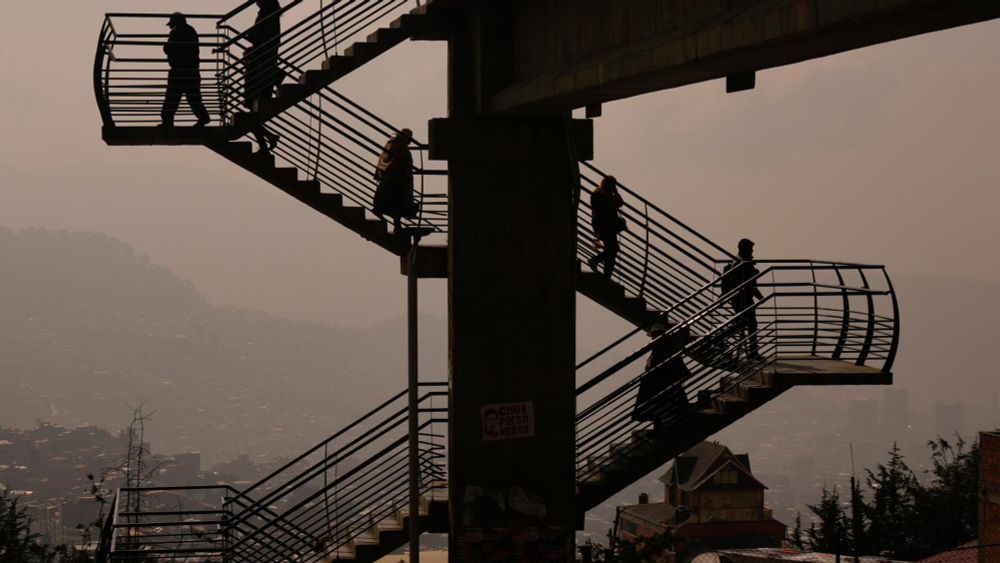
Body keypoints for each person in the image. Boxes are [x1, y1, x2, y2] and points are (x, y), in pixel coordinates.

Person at [632, 322, 692, 431]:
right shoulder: (665, 344)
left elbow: (673, 360)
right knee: (662, 406)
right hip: (662, 381)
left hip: (661, 381)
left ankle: (661, 428)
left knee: (659, 406)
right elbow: (676, 360)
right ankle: (661, 427)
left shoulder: (663, 345)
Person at [244, 0, 282, 153]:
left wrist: (251, 38)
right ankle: (268, 140)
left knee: (251, 111)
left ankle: (268, 140)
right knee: (252, 112)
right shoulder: (271, 14)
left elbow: (259, 37)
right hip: (264, 65)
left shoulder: (266, 15)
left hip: (261, 67)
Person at [160, 13, 210, 127]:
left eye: (171, 24)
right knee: (193, 97)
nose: (169, 26)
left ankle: (167, 122)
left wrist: (166, 46)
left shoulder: (177, 32)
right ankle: (203, 117)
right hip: (191, 70)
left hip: (179, 70)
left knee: (172, 97)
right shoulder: (191, 30)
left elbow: (168, 48)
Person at [721, 238, 765, 361]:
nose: (752, 253)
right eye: (750, 250)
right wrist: (759, 296)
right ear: (743, 249)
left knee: (743, 324)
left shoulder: (738, 262)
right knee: (749, 324)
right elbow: (748, 284)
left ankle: (722, 340)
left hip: (740, 298)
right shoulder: (742, 264)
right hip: (743, 299)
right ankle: (752, 352)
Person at [372, 129, 416, 231]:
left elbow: (384, 159)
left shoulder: (391, 144)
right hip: (396, 180)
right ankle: (397, 225)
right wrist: (406, 177)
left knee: (393, 203)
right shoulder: (401, 148)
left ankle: (395, 223)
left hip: (388, 179)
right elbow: (403, 165)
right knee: (398, 203)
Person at [587, 176, 626, 280]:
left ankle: (606, 276)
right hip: (603, 226)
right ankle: (595, 261)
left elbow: (619, 203)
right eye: (613, 185)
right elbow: (614, 204)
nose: (614, 187)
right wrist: (614, 193)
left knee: (611, 251)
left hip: (607, 226)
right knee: (613, 249)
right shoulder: (600, 194)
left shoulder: (603, 193)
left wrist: (615, 192)